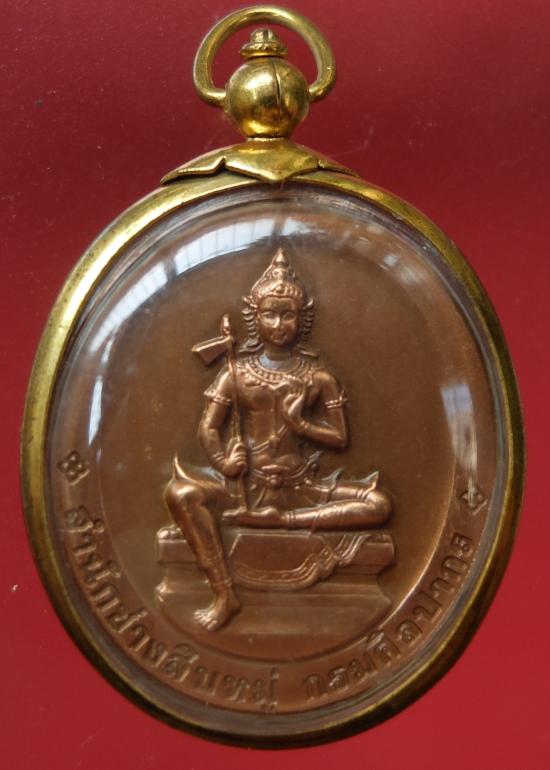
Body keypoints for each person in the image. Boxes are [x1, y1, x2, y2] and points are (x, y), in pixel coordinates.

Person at [164, 250, 392, 630]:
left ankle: (282, 521)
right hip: (243, 486)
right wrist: (224, 463)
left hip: (299, 487)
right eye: (270, 314)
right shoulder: (236, 373)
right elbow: (208, 428)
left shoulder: (318, 378)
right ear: (255, 318)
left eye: (288, 315)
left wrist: (299, 424)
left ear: (303, 320)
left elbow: (340, 438)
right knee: (180, 494)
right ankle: (223, 592)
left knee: (379, 503)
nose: (279, 324)